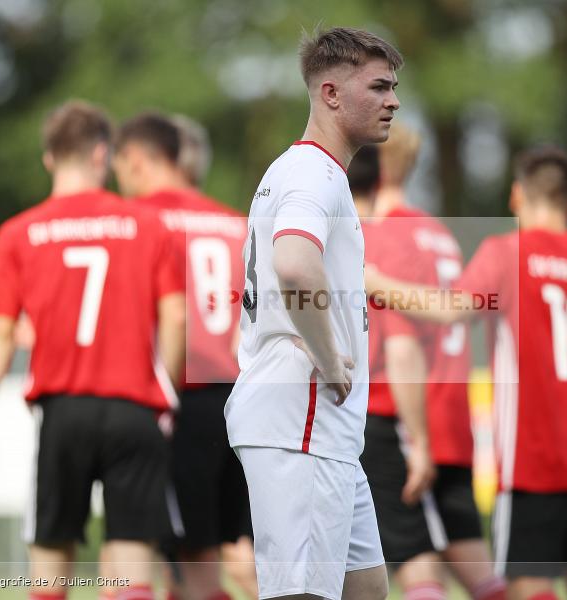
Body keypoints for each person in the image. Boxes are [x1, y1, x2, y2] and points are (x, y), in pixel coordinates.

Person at [366, 146, 567, 600]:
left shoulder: (507, 253)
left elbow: (449, 311)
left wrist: (374, 282)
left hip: (535, 456)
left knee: (528, 585)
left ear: (517, 197)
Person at [0, 100, 186, 600]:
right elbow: (175, 316)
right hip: (134, 409)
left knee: (49, 569)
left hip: (63, 411)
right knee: (130, 570)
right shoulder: (148, 227)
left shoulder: (18, 234)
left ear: (48, 159)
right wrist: (165, 391)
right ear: (102, 154)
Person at [224, 27, 403, 600]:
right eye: (378, 87)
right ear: (330, 94)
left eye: (393, 88)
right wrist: (330, 359)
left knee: (368, 588)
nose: (392, 101)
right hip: (301, 418)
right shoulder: (312, 172)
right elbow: (295, 265)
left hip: (321, 432)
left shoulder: (314, 171)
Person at [362, 124, 508, 600]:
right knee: (471, 563)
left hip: (404, 416)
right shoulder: (439, 234)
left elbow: (401, 342)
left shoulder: (382, 237)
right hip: (450, 416)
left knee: (414, 564)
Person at [113, 112, 249, 600]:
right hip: (237, 399)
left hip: (175, 397)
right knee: (219, 552)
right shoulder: (237, 222)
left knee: (146, 549)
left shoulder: (134, 222)